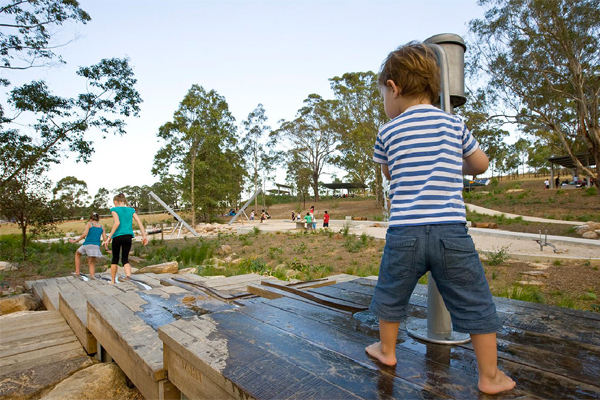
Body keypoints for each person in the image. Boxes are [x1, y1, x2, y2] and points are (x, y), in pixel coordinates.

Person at [367, 43, 515, 395]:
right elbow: (481, 165)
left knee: (391, 293)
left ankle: (387, 351)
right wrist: (455, 164)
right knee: (475, 300)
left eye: (382, 96)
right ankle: (490, 375)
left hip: (404, 232)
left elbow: (389, 173)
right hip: (451, 231)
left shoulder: (388, 131)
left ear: (393, 88)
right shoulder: (453, 124)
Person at [103, 193, 148, 284]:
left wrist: (109, 237)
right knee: (125, 259)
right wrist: (144, 236)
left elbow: (117, 223)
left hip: (117, 236)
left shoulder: (114, 209)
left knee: (115, 258)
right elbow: (139, 222)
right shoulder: (131, 210)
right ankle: (129, 278)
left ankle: (112, 281)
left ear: (115, 201)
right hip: (128, 237)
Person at [69, 213, 106, 278]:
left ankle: (77, 272)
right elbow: (105, 239)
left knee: (77, 253)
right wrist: (106, 248)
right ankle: (92, 276)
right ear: (98, 219)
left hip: (87, 245)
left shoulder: (89, 224)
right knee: (91, 263)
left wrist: (75, 241)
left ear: (90, 219)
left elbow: (84, 234)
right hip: (96, 246)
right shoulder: (102, 227)